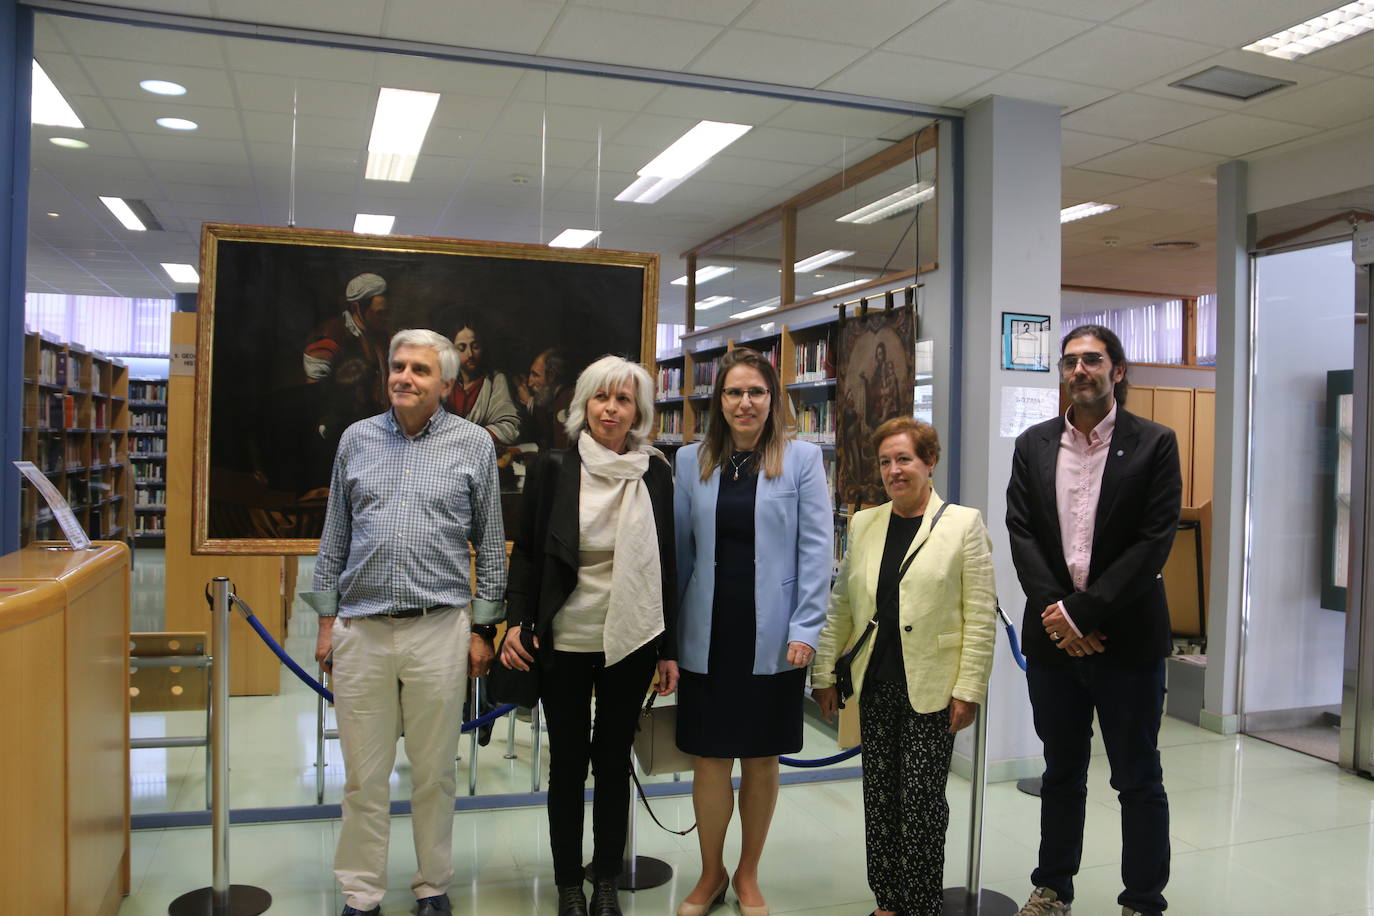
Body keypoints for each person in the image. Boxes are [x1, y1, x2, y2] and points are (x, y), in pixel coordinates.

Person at [302, 328, 507, 916]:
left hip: (439, 629)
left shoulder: (472, 445)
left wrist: (482, 628)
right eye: (398, 366)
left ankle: (432, 885)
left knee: (434, 773)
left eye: (419, 369)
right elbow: (334, 536)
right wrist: (325, 623)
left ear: (445, 383)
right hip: (361, 630)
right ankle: (361, 893)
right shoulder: (356, 440)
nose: (404, 377)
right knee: (364, 778)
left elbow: (490, 543)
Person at [1005, 325, 1181, 916]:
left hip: (1127, 639)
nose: (1080, 369)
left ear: (1118, 371)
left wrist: (1083, 613)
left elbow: (1153, 542)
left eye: (1093, 360)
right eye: (1070, 361)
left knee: (1137, 776)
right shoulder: (1032, 445)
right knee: (1060, 771)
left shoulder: (1155, 444)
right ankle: (1053, 887)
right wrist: (1060, 617)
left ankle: (1142, 899)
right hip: (1054, 643)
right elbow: (1022, 533)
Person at [500, 355, 679, 916]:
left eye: (623, 400)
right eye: (602, 398)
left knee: (611, 760)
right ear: (584, 406)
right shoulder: (555, 466)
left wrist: (668, 648)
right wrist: (516, 622)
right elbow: (528, 551)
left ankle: (605, 880)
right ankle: (567, 884)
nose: (611, 409)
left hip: (631, 635)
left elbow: (667, 560)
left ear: (639, 412)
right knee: (569, 761)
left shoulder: (656, 472)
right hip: (567, 635)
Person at [812, 417, 995, 916]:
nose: (894, 470)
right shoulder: (865, 524)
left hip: (933, 689)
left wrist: (969, 688)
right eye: (887, 461)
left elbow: (980, 617)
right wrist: (824, 672)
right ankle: (888, 901)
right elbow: (843, 606)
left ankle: (919, 905)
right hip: (875, 683)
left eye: (905, 459)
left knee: (921, 808)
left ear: (929, 462)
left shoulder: (963, 525)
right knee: (881, 802)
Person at [672, 346, 833, 916]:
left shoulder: (803, 460)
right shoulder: (691, 461)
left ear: (773, 400)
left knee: (762, 760)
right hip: (706, 632)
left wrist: (807, 628)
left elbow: (817, 552)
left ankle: (747, 874)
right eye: (735, 392)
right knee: (710, 758)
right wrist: (668, 640)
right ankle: (711, 872)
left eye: (756, 392)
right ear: (720, 400)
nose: (745, 402)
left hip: (774, 635)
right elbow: (679, 554)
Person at [303, 272, 393, 441]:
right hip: (337, 433)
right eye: (379, 313)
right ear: (356, 308)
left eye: (386, 312)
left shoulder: (382, 338)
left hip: (375, 431)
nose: (385, 318)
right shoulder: (330, 338)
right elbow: (313, 396)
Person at [447, 318, 521, 445]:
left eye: (475, 346)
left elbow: (510, 428)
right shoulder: (443, 380)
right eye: (462, 348)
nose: (470, 354)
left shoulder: (495, 380)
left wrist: (470, 436)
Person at [517, 346, 575, 450]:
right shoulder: (557, 397)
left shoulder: (565, 400)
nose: (530, 383)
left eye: (535, 375)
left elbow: (559, 449)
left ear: (551, 376)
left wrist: (530, 403)